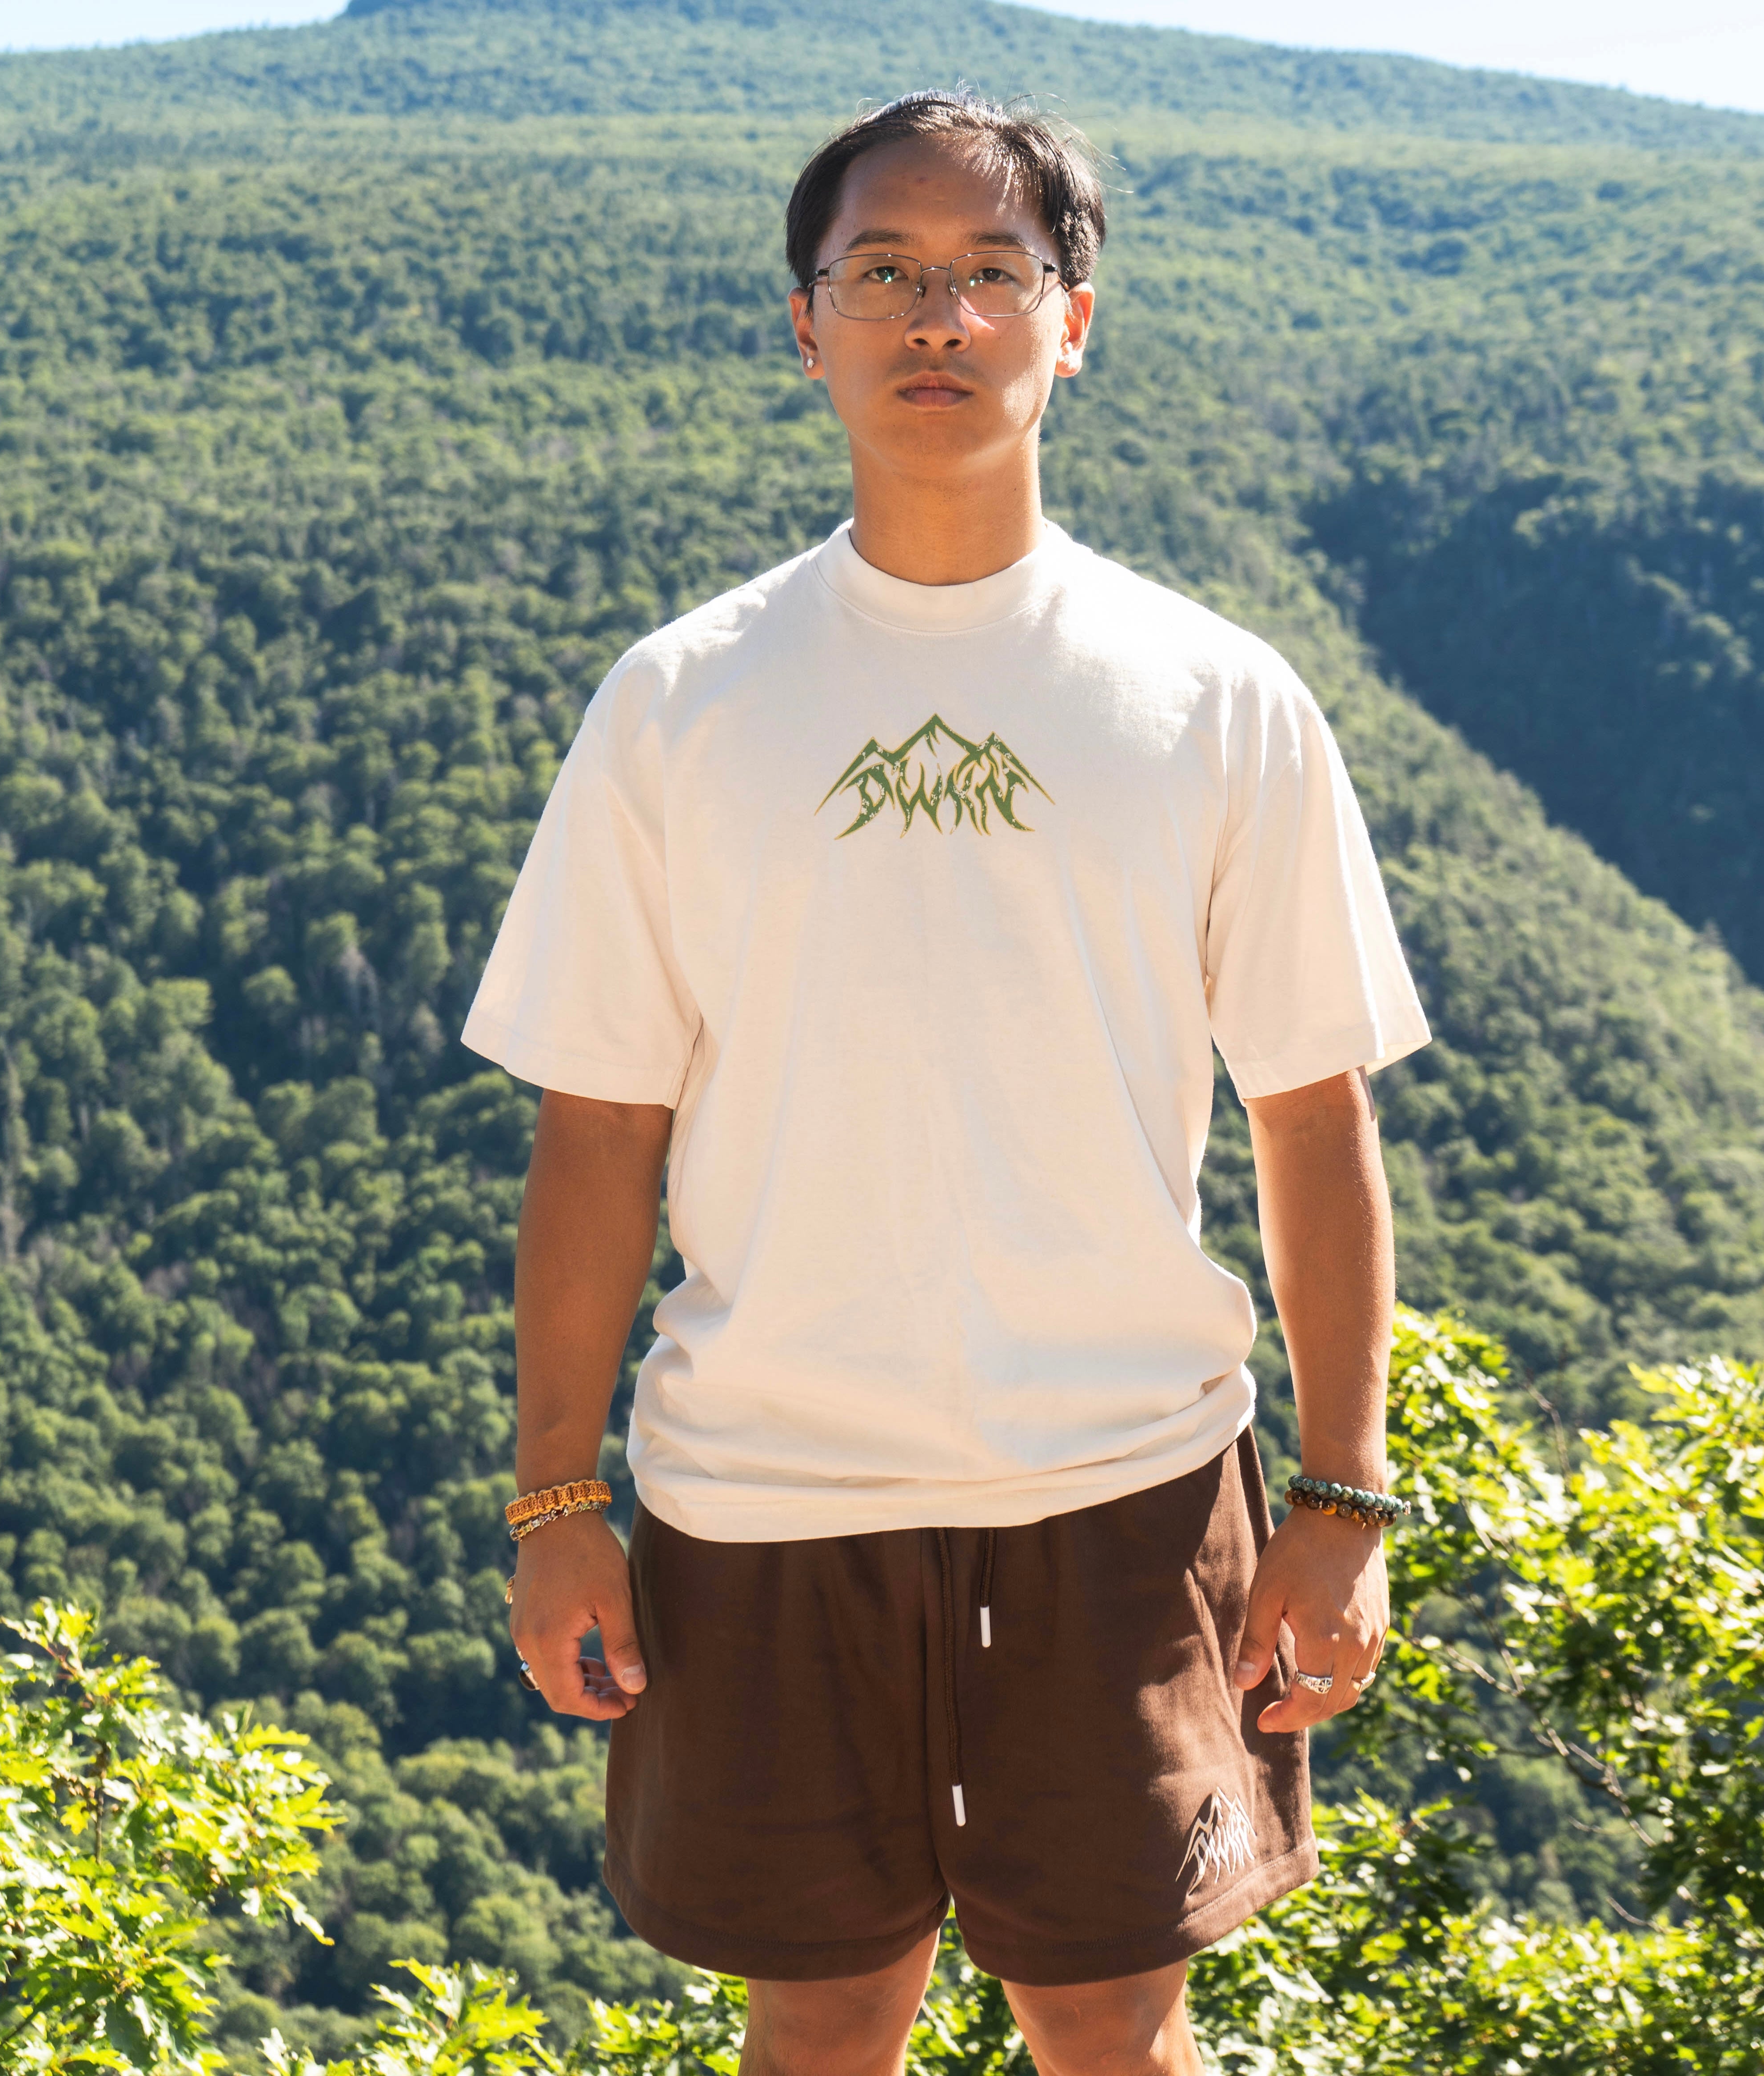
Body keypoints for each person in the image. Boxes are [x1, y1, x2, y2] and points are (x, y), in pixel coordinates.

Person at [464, 87, 1429, 2076]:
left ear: (1073, 322)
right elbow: (597, 1130)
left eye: (993, 273)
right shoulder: (678, 703)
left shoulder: (1213, 696)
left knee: (1109, 2019)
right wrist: (557, 1494)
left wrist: (1342, 1497)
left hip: (1125, 1486)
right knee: (817, 2017)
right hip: (759, 1493)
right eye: (885, 272)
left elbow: (1312, 1120)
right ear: (801, 321)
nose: (939, 316)